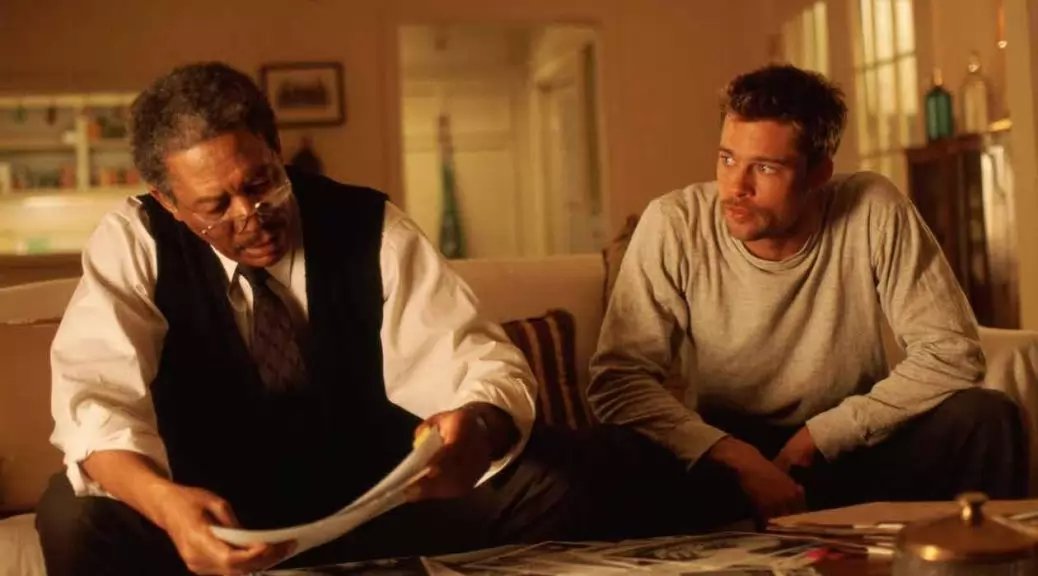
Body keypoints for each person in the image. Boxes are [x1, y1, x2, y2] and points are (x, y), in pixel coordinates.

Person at [35, 62, 590, 576]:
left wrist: (478, 429)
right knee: (74, 517)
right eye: (215, 207)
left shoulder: (371, 225)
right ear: (168, 201)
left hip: (376, 500)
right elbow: (95, 403)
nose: (250, 217)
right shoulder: (133, 241)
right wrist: (166, 506)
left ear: (276, 149)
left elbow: (477, 362)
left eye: (260, 184)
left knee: (553, 482)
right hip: (210, 510)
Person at [588, 64, 1027, 529]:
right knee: (608, 453)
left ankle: (976, 556)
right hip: (725, 457)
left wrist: (822, 435)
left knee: (987, 417)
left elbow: (953, 352)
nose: (736, 187)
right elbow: (618, 380)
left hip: (851, 445)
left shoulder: (872, 207)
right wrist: (733, 455)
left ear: (819, 172)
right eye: (727, 159)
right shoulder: (674, 223)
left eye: (765, 167)